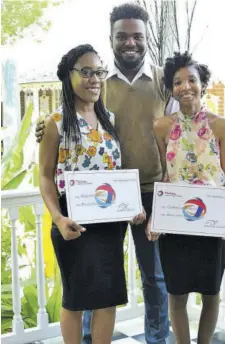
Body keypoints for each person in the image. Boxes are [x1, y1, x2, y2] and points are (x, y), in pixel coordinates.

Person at [36, 4, 172, 344]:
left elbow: (180, 126)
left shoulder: (162, 82)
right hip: (93, 203)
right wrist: (45, 127)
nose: (130, 43)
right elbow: (65, 123)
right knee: (88, 286)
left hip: (149, 194)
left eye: (137, 36)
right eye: (122, 36)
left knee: (153, 278)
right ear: (111, 39)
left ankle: (156, 339)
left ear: (146, 39)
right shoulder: (98, 84)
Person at [39, 44, 145, 344]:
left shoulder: (109, 119)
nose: (94, 79)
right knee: (75, 298)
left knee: (107, 297)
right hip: (72, 221)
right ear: (68, 77)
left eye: (99, 72)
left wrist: (131, 208)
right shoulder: (55, 123)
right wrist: (58, 218)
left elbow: (116, 174)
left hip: (110, 221)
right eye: (86, 72)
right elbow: (45, 177)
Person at [146, 51, 225, 344]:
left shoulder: (221, 126)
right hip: (177, 221)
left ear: (203, 84)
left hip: (213, 221)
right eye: (177, 82)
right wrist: (156, 215)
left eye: (192, 80)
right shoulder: (162, 126)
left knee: (211, 293)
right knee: (176, 294)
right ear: (171, 88)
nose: (185, 86)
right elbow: (166, 175)